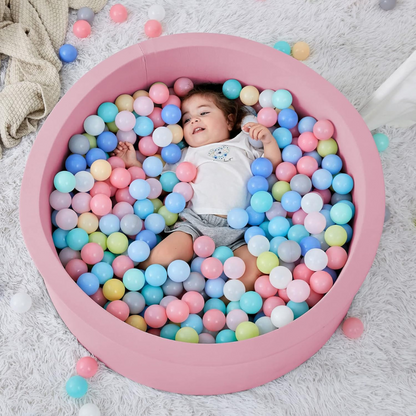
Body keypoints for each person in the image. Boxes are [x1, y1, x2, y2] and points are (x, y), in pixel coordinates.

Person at [113, 83, 282, 291]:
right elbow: (161, 183)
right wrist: (135, 165)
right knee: (163, 257)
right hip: (195, 225)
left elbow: (271, 165)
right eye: (186, 119)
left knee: (252, 268)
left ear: (229, 121)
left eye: (203, 112)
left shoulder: (243, 144)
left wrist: (267, 139)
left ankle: (224, 307)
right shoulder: (187, 154)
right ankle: (132, 285)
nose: (194, 120)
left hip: (239, 231)